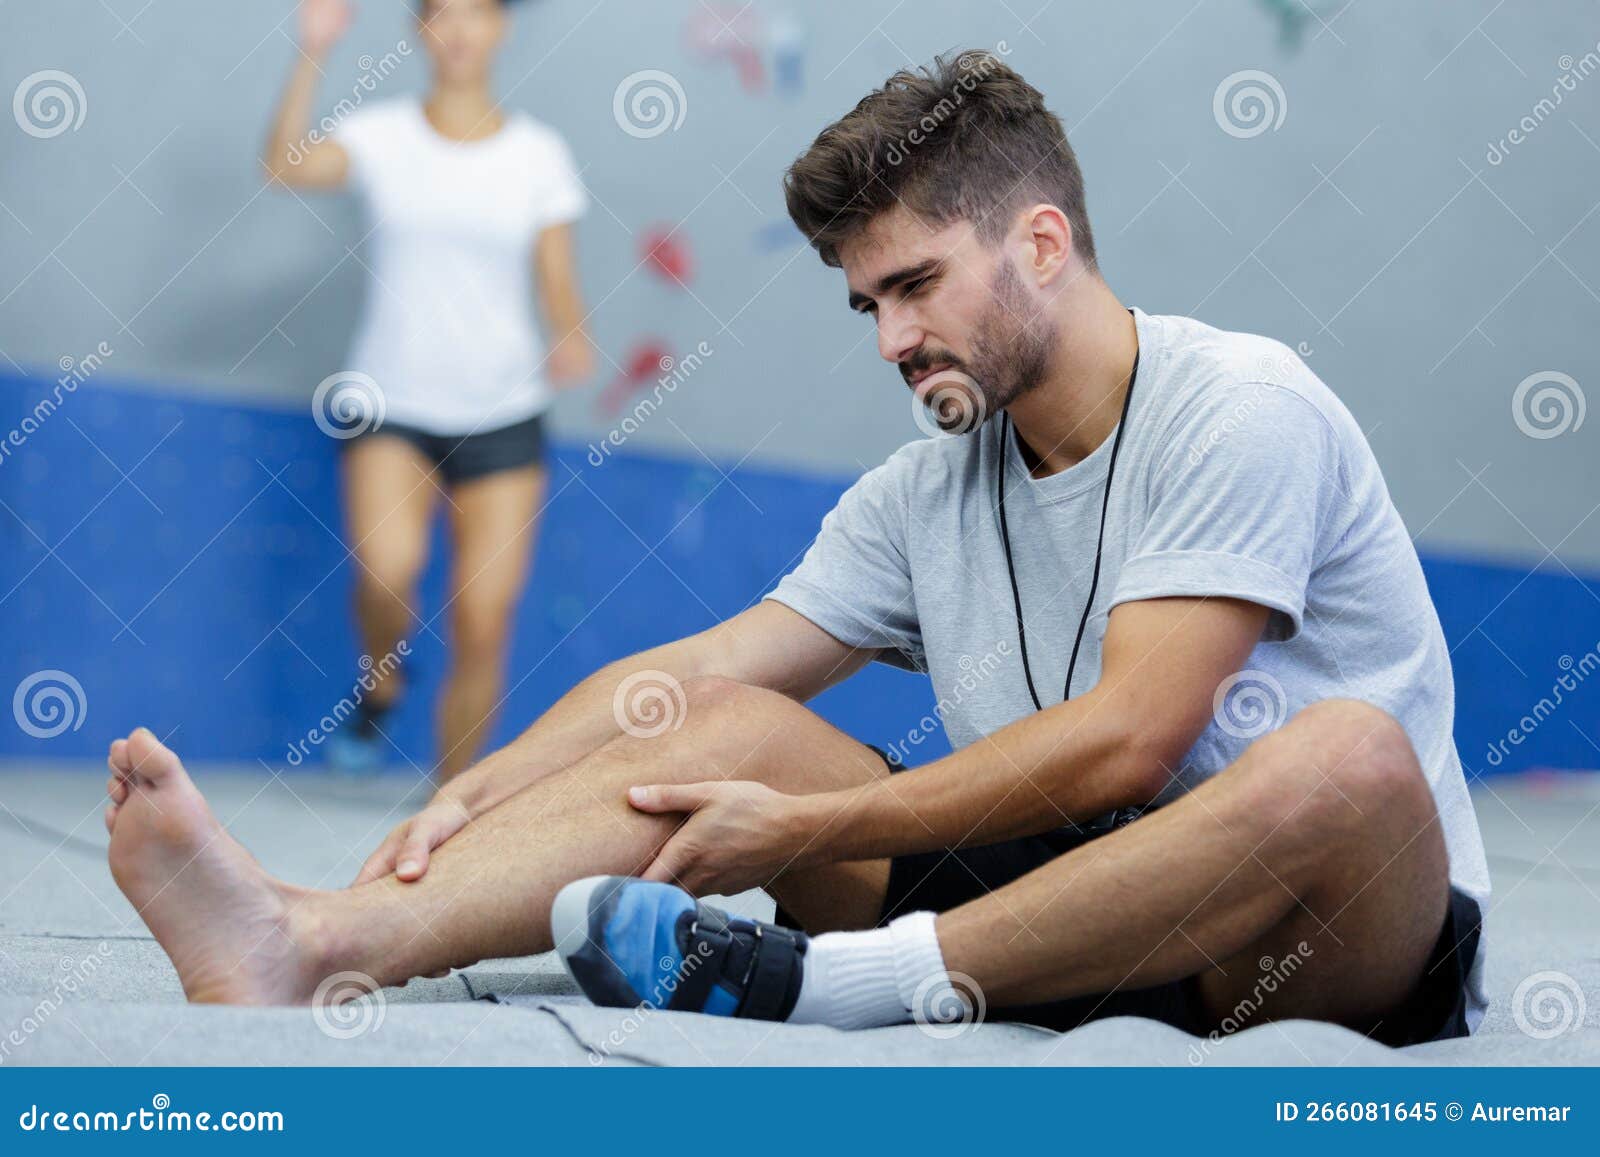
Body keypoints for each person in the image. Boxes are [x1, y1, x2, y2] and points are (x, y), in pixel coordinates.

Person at [107, 51, 1488, 1047]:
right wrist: (482, 790)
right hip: (1061, 910)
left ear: (1044, 242)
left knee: (1346, 758)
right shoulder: (929, 484)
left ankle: (841, 985)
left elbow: (1134, 738)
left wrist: (817, 831)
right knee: (724, 722)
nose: (890, 341)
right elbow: (701, 671)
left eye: (915, 287)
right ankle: (317, 942)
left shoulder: (1238, 407)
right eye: (865, 304)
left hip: (1302, 941)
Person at [261, 0, 593, 781]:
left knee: (483, 619)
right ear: (419, 33)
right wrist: (312, 52)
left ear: (503, 29)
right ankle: (382, 679)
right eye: (442, 14)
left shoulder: (540, 154)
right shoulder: (383, 136)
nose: (462, 31)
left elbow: (556, 280)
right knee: (387, 569)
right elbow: (284, 166)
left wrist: (572, 333)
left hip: (506, 410)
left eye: (479, 14)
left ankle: (450, 805)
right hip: (390, 403)